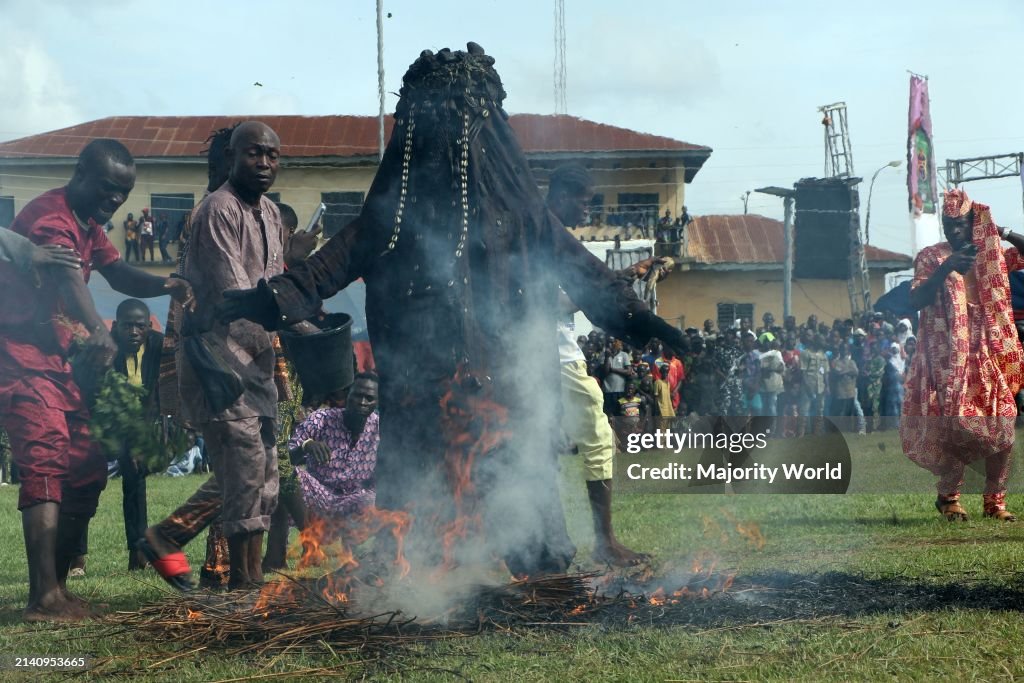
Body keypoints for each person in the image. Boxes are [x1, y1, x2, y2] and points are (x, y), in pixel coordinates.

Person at [216, 43, 688, 578]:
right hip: (421, 388)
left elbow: (587, 274)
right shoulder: (392, 216)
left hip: (505, 387)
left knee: (520, 482)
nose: (456, 136)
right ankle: (422, 563)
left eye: (468, 118)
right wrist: (267, 300)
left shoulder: (519, 211)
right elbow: (322, 271)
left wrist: (647, 322)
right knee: (420, 501)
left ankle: (533, 556)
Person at [0, 138, 193, 622]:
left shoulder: (88, 225)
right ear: (80, 173)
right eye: (108, 189)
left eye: (123, 194)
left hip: (58, 359)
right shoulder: (51, 216)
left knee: (85, 466)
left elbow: (119, 272)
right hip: (19, 354)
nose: (114, 201)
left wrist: (166, 283)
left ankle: (59, 589)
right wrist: (98, 333)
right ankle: (41, 597)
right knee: (46, 456)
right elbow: (68, 280)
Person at [136, 122, 316, 591]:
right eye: (254, 154)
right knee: (242, 467)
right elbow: (237, 293)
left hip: (257, 357)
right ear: (233, 158)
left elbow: (274, 286)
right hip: (219, 358)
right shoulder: (216, 211)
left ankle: (167, 540)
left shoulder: (273, 215)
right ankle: (244, 580)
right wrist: (289, 313)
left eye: (273, 156)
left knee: (265, 468)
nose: (264, 164)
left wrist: (308, 325)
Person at [547, 163, 667, 566]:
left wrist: (619, 278)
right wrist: (615, 279)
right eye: (583, 203)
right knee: (597, 436)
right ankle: (605, 543)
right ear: (561, 197)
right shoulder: (546, 238)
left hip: (549, 350)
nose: (587, 212)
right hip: (549, 350)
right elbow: (554, 304)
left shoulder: (548, 235)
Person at [902, 188, 1024, 522]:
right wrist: (946, 270)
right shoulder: (932, 257)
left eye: (959, 225)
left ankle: (995, 502)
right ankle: (949, 497)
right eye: (947, 224)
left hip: (988, 352)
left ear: (973, 224)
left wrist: (1003, 232)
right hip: (946, 357)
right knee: (956, 427)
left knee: (1003, 426)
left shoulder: (991, 253)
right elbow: (915, 301)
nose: (952, 232)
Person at [263, 373, 380, 570]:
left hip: (355, 500)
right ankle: (285, 553)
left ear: (376, 402)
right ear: (347, 396)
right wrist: (306, 446)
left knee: (371, 499)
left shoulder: (380, 428)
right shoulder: (322, 418)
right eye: (357, 395)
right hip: (317, 498)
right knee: (285, 477)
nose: (361, 402)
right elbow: (286, 458)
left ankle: (350, 557)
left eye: (369, 398)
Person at [110, 298, 164, 570]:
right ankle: (76, 554)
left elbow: (158, 393)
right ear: (116, 326)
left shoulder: (157, 344)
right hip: (104, 420)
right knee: (85, 483)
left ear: (148, 327)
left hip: (142, 421)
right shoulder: (106, 347)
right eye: (127, 326)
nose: (133, 332)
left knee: (135, 480)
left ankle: (137, 552)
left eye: (140, 326)